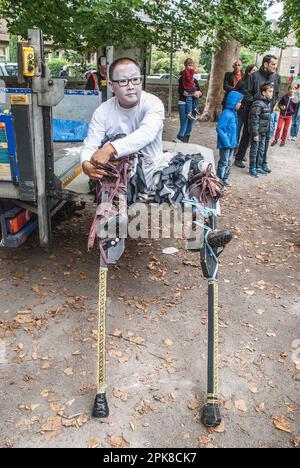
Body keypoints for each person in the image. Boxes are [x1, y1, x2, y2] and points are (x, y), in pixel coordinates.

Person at [234, 55, 280, 173]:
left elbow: (276, 94)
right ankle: (239, 158)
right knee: (247, 135)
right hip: (252, 112)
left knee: (265, 138)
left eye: (275, 64)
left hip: (267, 113)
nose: (275, 66)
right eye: (273, 64)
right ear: (265, 64)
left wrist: (269, 105)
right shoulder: (253, 76)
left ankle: (262, 163)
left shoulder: (275, 77)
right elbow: (246, 94)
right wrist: (259, 102)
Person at [216, 90, 243, 187]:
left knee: (229, 162)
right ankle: (219, 180)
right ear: (233, 102)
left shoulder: (234, 113)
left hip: (232, 144)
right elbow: (219, 128)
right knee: (223, 162)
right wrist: (226, 142)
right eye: (239, 102)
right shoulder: (226, 113)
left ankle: (225, 179)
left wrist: (235, 142)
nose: (240, 104)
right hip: (225, 144)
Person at [248, 83, 273, 177]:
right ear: (263, 92)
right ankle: (252, 168)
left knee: (261, 149)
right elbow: (254, 119)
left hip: (263, 132)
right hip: (257, 132)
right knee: (254, 149)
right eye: (270, 91)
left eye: (272, 91)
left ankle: (258, 167)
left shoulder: (267, 103)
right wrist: (255, 133)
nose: (271, 93)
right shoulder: (258, 103)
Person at [234, 64, 258, 142]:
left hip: (251, 112)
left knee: (247, 133)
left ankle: (241, 150)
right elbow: (234, 95)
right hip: (240, 111)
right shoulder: (241, 83)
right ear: (248, 72)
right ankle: (233, 147)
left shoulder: (257, 84)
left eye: (256, 71)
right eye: (254, 70)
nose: (256, 72)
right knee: (236, 130)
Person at [177, 73, 202, 142]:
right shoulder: (182, 79)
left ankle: (185, 144)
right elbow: (180, 91)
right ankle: (178, 144)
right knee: (184, 125)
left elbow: (200, 92)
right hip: (184, 104)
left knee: (190, 126)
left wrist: (198, 94)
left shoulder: (195, 81)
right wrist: (192, 93)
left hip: (194, 105)